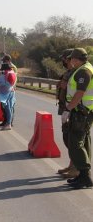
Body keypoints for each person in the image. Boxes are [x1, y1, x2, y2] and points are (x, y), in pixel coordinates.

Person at [64, 48, 93, 189]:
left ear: (75, 59)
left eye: (71, 59)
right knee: (83, 141)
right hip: (84, 111)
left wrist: (68, 109)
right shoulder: (85, 68)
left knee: (75, 143)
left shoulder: (83, 71)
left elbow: (80, 93)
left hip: (82, 112)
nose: (70, 62)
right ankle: (83, 176)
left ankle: (85, 176)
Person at [56, 49, 79, 178]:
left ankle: (76, 167)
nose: (63, 61)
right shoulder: (69, 72)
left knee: (72, 139)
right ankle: (72, 164)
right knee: (67, 138)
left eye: (65, 59)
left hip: (71, 109)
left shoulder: (76, 73)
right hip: (65, 107)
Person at [0, 63, 16, 130]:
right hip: (11, 91)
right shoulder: (12, 72)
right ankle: (9, 123)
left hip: (5, 93)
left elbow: (0, 82)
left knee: (7, 109)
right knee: (10, 108)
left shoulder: (5, 75)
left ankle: (8, 123)